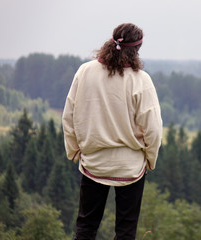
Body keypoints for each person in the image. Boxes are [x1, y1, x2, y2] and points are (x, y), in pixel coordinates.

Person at [62, 23, 163, 240]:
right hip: (130, 168)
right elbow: (153, 129)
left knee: (86, 227)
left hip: (93, 163)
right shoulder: (141, 80)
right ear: (137, 49)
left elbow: (68, 116)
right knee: (126, 231)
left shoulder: (85, 72)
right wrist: (150, 160)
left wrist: (74, 151)